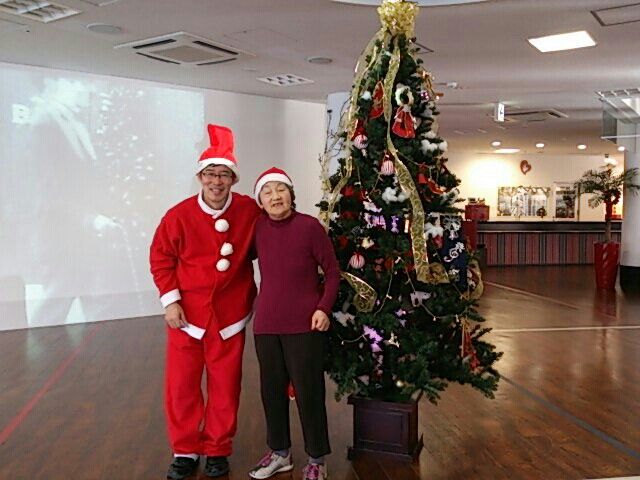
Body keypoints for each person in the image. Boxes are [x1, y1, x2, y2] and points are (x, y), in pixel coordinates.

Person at [149, 124, 261, 479]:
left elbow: (270, 244)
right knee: (181, 388)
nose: (216, 181)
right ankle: (184, 450)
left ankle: (217, 449)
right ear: (200, 177)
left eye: (224, 175)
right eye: (211, 174)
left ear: (233, 179)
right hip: (186, 316)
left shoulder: (249, 211)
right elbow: (161, 258)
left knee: (225, 388)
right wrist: (170, 301)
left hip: (229, 317)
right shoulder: (178, 215)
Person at [248, 167, 340, 480]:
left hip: (305, 324)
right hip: (266, 324)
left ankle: (316, 459)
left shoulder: (309, 227)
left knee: (308, 392)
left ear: (291, 194)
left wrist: (323, 308)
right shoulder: (257, 228)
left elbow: (332, 273)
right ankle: (280, 453)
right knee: (271, 392)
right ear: (260, 201)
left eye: (280, 190)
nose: (275, 197)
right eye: (267, 192)